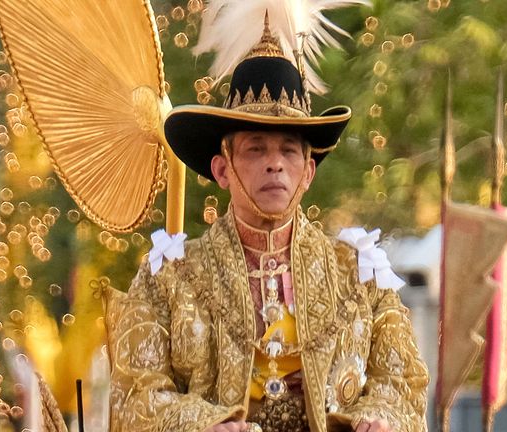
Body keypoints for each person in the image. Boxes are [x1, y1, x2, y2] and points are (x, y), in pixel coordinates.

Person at [105, 15, 428, 432]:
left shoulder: (359, 271)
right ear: (222, 171)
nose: (275, 163)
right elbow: (136, 392)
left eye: (289, 151)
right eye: (256, 149)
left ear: (308, 173)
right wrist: (206, 426)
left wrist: (377, 419)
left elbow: (404, 380)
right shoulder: (168, 276)